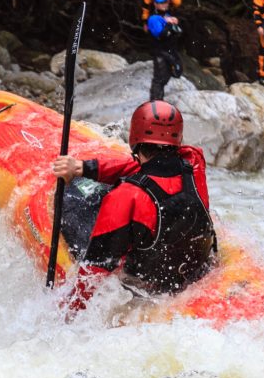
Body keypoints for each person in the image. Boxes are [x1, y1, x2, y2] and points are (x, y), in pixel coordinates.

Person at [52, 101, 217, 314]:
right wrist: (85, 168)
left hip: (148, 287)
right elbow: (148, 169)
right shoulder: (194, 163)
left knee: (75, 199)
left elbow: (95, 269)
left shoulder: (125, 197)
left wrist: (67, 312)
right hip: (194, 271)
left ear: (135, 138)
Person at [147, 0, 183, 100]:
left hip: (170, 50)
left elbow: (178, 33)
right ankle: (155, 103)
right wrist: (168, 24)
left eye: (165, 2)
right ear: (155, 4)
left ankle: (159, 100)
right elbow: (161, 35)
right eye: (161, 3)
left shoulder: (167, 16)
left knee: (173, 74)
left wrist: (174, 24)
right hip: (160, 52)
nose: (164, 5)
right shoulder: (153, 18)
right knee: (159, 79)